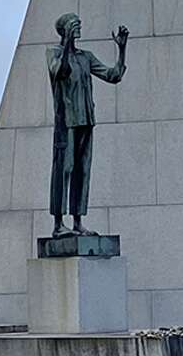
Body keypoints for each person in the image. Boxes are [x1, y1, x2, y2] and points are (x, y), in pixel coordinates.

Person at [48, 12, 127, 237]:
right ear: (65, 30)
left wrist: (122, 49)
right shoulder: (54, 53)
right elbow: (59, 71)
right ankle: (58, 224)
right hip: (67, 123)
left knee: (82, 171)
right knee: (64, 170)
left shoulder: (86, 57)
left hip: (86, 121)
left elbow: (113, 76)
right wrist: (66, 46)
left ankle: (77, 221)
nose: (79, 28)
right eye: (75, 25)